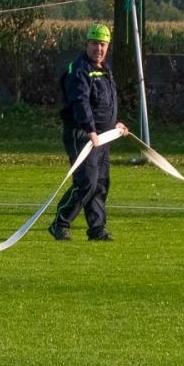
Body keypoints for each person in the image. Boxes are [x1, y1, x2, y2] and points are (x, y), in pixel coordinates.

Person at [48, 23, 127, 242]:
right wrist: (91, 130)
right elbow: (80, 101)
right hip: (82, 135)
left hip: (102, 137)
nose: (98, 49)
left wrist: (116, 125)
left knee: (100, 183)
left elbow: (107, 103)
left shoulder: (105, 70)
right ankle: (60, 223)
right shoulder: (79, 69)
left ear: (107, 46)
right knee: (86, 182)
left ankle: (97, 230)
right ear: (87, 44)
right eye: (94, 43)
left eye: (102, 44)